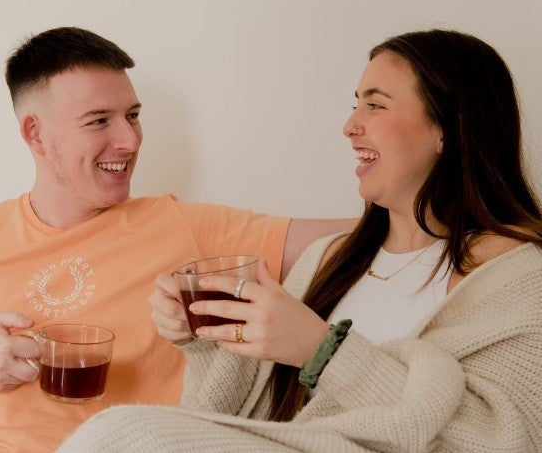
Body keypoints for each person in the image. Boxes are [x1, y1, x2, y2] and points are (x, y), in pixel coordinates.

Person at [0, 26, 355, 451]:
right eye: (99, 121)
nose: (130, 140)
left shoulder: (182, 227)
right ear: (35, 134)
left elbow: (357, 238)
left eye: (133, 115)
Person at [57, 29, 542, 452]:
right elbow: (244, 424)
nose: (350, 127)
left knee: (121, 435)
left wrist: (323, 351)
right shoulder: (329, 259)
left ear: (449, 128)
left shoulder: (518, 276)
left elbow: (503, 440)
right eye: (356, 106)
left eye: (375, 105)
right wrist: (205, 341)